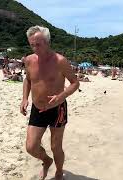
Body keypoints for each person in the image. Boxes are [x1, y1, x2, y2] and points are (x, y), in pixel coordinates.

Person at [20, 25, 80, 180]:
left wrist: (62, 96)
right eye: (31, 44)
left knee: (55, 146)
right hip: (37, 108)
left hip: (57, 108)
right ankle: (46, 161)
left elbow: (75, 83)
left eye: (38, 44)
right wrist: (25, 98)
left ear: (47, 42)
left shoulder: (60, 61)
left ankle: (59, 171)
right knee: (31, 147)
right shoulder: (29, 60)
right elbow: (28, 80)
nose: (34, 48)